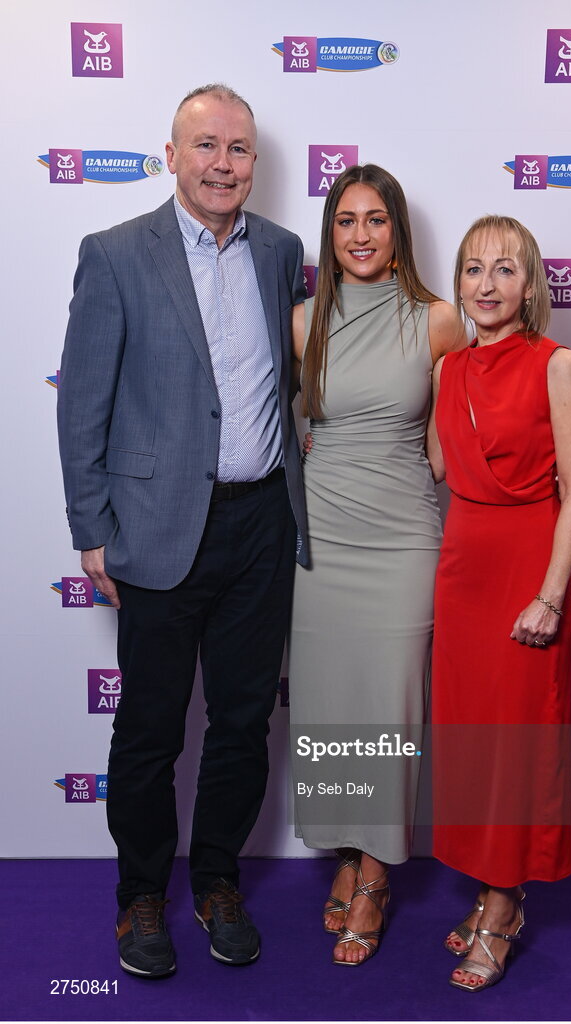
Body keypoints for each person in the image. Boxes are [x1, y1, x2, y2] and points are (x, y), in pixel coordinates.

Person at [57, 83, 308, 978]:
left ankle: (217, 881)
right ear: (171, 156)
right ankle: (139, 897)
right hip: (159, 529)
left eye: (238, 149)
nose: (222, 164)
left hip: (261, 526)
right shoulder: (117, 253)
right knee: (153, 729)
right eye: (205, 146)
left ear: (255, 163)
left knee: (242, 723)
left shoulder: (282, 252)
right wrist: (92, 525)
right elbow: (82, 397)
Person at [288, 164, 465, 965]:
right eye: (346, 220)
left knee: (388, 713)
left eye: (377, 219)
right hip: (320, 539)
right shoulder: (301, 322)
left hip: (399, 540)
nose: (360, 234)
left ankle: (373, 875)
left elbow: (448, 444)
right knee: (331, 710)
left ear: (398, 233)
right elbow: (279, 427)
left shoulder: (437, 320)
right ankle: (343, 851)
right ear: (332, 235)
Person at [427, 215, 571, 991]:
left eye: (504, 270)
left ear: (531, 287)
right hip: (462, 568)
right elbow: (436, 460)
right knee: (471, 742)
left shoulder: (557, 364)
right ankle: (488, 884)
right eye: (472, 270)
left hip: (527, 570)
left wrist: (551, 597)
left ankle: (502, 904)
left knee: (517, 744)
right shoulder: (448, 370)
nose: (486, 286)